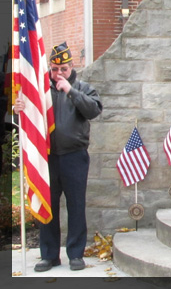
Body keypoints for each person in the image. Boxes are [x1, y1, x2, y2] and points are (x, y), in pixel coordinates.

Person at [14, 42, 103, 271]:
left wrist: (69, 90)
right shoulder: (42, 92)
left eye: (63, 68)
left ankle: (75, 254)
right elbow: (30, 115)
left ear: (72, 67)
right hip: (49, 158)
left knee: (76, 206)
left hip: (75, 156)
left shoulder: (83, 88)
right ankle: (49, 255)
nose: (58, 73)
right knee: (48, 206)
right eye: (54, 69)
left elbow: (94, 110)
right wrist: (20, 107)